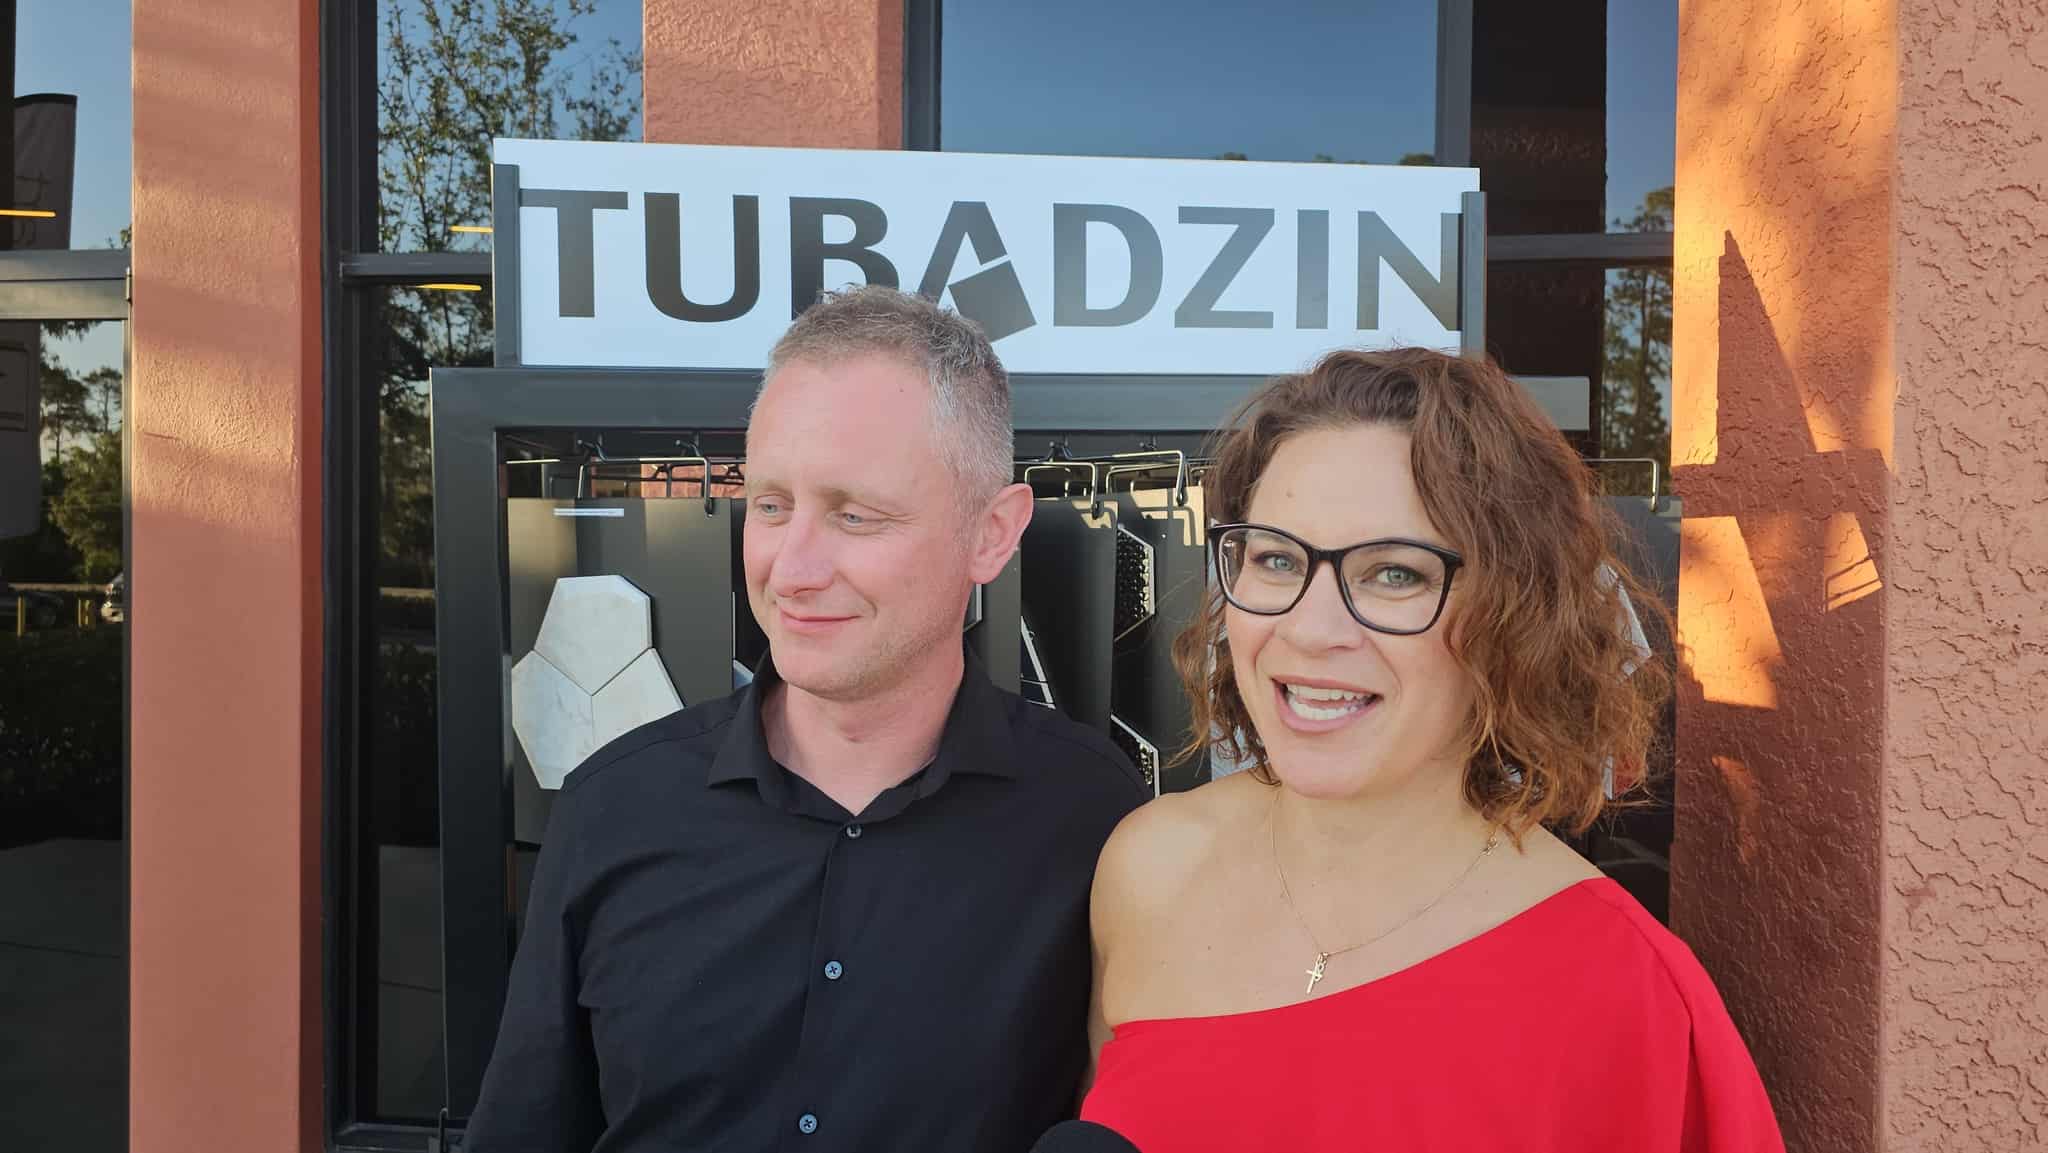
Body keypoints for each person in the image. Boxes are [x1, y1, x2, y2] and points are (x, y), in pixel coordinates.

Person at [463, 286, 1149, 1152]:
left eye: (855, 515)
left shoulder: (1093, 821)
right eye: (771, 504)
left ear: (992, 534)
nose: (792, 569)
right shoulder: (614, 806)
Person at [1080, 347, 1785, 1151]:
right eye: (1276, 558)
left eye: (1394, 574)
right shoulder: (1149, 870)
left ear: (1512, 615)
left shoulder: (1625, 991)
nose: (1310, 628)